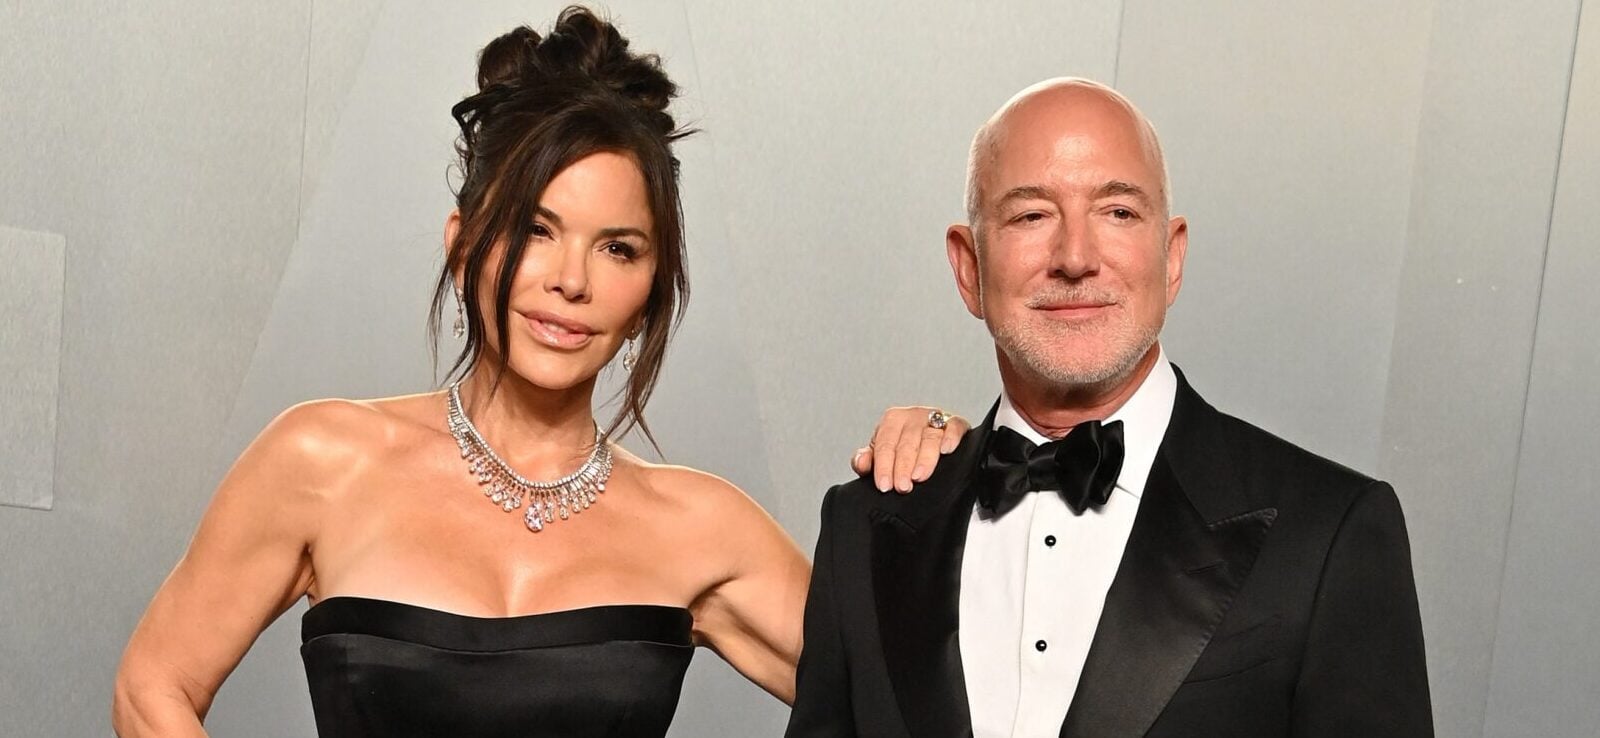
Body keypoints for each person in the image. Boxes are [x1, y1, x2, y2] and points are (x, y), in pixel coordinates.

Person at [110, 8, 964, 737]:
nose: (571, 281)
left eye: (618, 248)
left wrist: (955, 482)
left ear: (651, 290)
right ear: (464, 246)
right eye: (536, 230)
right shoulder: (321, 460)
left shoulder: (705, 528)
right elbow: (154, 687)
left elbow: (917, 703)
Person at [789, 78, 1433, 737]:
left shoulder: (1329, 532)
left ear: (1172, 258)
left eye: (1118, 212)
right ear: (968, 268)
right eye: (1031, 216)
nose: (1075, 258)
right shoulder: (862, 528)